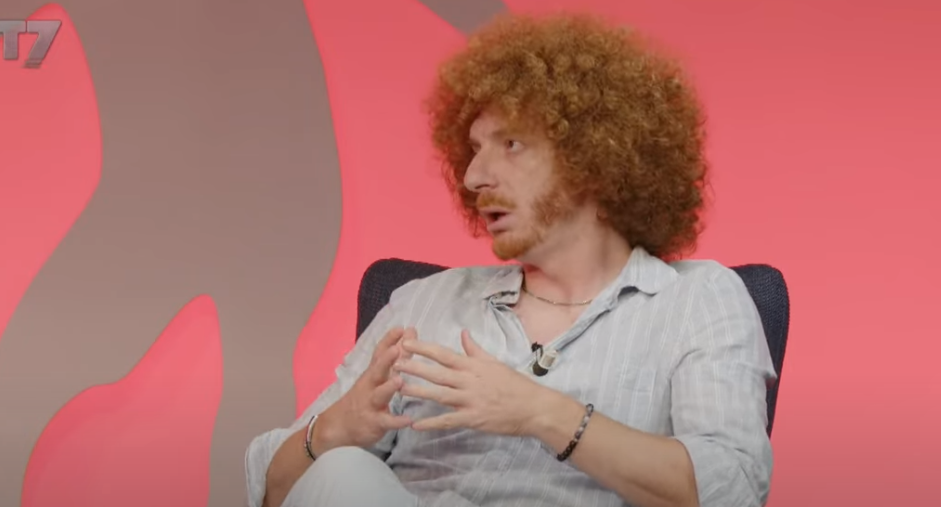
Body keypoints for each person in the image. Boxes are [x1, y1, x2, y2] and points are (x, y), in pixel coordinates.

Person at [245, 11, 776, 507]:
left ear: (596, 157)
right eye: (474, 149)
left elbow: (733, 486)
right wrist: (336, 429)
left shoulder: (696, 299)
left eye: (511, 144)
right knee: (341, 469)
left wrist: (540, 412)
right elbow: (272, 492)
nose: (474, 177)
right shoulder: (423, 303)